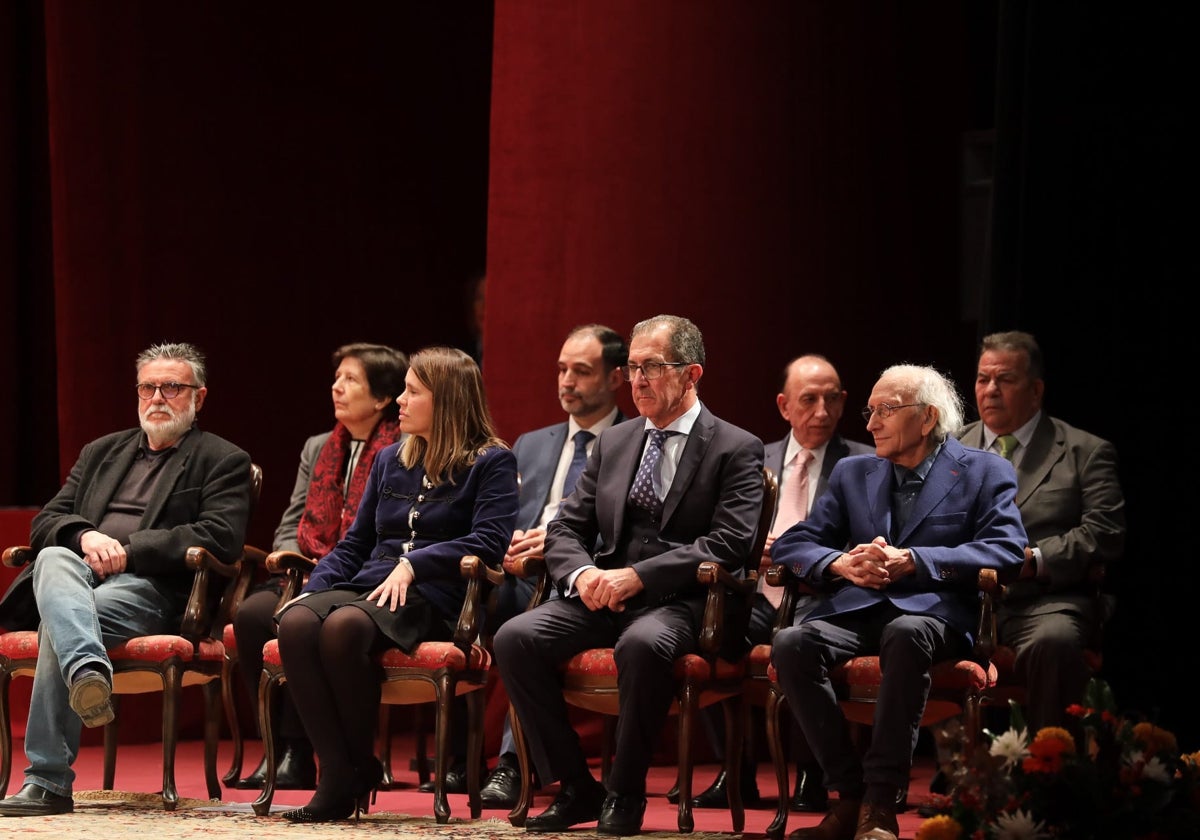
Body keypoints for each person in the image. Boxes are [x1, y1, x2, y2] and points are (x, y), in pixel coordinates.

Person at [494, 314, 765, 836]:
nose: (638, 380)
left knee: (642, 645)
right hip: (606, 594)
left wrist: (638, 577)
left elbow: (730, 544)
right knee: (515, 637)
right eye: (632, 368)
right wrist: (583, 574)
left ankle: (625, 791)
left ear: (692, 374)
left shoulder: (735, 446)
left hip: (687, 601)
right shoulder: (616, 442)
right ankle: (576, 785)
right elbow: (566, 527)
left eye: (653, 368)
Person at [770, 363, 1026, 840]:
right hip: (859, 606)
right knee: (790, 643)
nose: (870, 424)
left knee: (905, 632)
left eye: (885, 410)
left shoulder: (984, 470)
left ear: (927, 418)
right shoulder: (853, 472)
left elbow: (1007, 549)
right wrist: (841, 564)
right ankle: (849, 797)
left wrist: (917, 560)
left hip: (938, 612)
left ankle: (881, 802)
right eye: (870, 411)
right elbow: (794, 543)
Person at [0, 342, 252, 818]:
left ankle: (48, 781)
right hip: (78, 579)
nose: (158, 397)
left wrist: (128, 552)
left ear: (199, 396)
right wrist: (86, 535)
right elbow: (48, 519)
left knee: (62, 621)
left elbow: (220, 537)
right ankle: (88, 673)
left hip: (153, 589)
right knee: (55, 554)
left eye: (172, 387)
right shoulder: (102, 452)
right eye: (148, 387)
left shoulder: (223, 460)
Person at [273, 346, 518, 823]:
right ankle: (348, 769)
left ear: (445, 400)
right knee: (298, 622)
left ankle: (342, 777)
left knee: (343, 627)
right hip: (372, 586)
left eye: (412, 392)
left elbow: (489, 542)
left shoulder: (492, 461)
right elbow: (356, 542)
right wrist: (315, 585)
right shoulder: (390, 459)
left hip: (437, 594)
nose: (400, 401)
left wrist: (415, 564)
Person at [686, 354, 873, 813]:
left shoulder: (865, 464)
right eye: (809, 400)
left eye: (833, 400)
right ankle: (737, 768)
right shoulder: (753, 458)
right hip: (756, 594)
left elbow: (871, 538)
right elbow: (719, 527)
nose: (822, 412)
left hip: (823, 593)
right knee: (703, 633)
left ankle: (812, 772)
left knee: (804, 642)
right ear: (783, 406)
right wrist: (754, 548)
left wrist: (804, 556)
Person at [230, 342, 408, 790]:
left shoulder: (403, 448)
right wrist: (296, 562)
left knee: (312, 622)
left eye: (350, 380)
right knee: (252, 615)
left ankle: (324, 750)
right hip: (307, 569)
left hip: (366, 575)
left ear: (383, 398)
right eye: (337, 378)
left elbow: (386, 533)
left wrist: (332, 570)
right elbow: (293, 520)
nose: (337, 388)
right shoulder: (318, 447)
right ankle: (286, 749)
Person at [476, 323, 629, 809]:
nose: (566, 381)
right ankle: (460, 755)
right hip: (514, 576)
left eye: (581, 372)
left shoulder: (633, 444)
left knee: (525, 623)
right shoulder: (531, 443)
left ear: (616, 378)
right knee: (458, 605)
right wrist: (509, 547)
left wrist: (558, 550)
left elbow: (627, 533)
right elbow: (501, 519)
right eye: (562, 369)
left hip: (584, 581)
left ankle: (512, 763)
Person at [956, 330, 1124, 735]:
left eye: (1005, 379)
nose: (990, 390)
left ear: (1036, 390)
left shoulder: (1085, 451)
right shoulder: (949, 448)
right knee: (905, 630)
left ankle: (1045, 774)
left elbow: (1105, 532)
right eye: (983, 379)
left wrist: (1035, 561)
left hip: (1047, 602)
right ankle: (953, 771)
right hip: (965, 601)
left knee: (1055, 643)